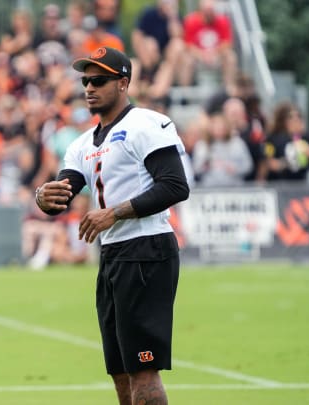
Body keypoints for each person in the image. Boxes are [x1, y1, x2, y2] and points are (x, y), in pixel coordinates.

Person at [34, 46, 189, 405]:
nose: (89, 87)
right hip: (115, 254)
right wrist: (44, 196)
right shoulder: (81, 144)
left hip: (147, 249)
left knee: (143, 370)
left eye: (99, 80)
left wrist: (114, 213)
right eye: (86, 80)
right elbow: (62, 196)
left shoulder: (147, 124)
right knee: (120, 372)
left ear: (123, 83)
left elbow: (175, 185)